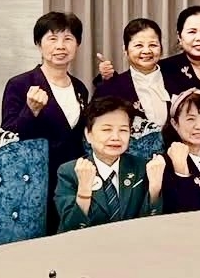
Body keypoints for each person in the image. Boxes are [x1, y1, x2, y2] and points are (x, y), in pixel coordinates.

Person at [0, 12, 90, 234]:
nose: (60, 46)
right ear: (39, 44)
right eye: (52, 38)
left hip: (72, 180)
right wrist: (31, 111)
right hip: (36, 180)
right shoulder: (20, 84)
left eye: (68, 39)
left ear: (77, 44)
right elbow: (8, 138)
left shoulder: (80, 88)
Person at [54, 96, 164, 232]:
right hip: (87, 243)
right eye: (106, 130)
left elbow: (151, 225)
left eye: (123, 130)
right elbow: (70, 228)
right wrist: (84, 191)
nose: (115, 137)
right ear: (88, 134)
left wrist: (155, 189)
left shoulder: (142, 167)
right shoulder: (69, 172)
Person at [93, 18, 176, 128]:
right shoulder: (111, 88)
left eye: (153, 45)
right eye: (139, 45)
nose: (146, 51)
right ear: (125, 50)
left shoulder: (177, 81)